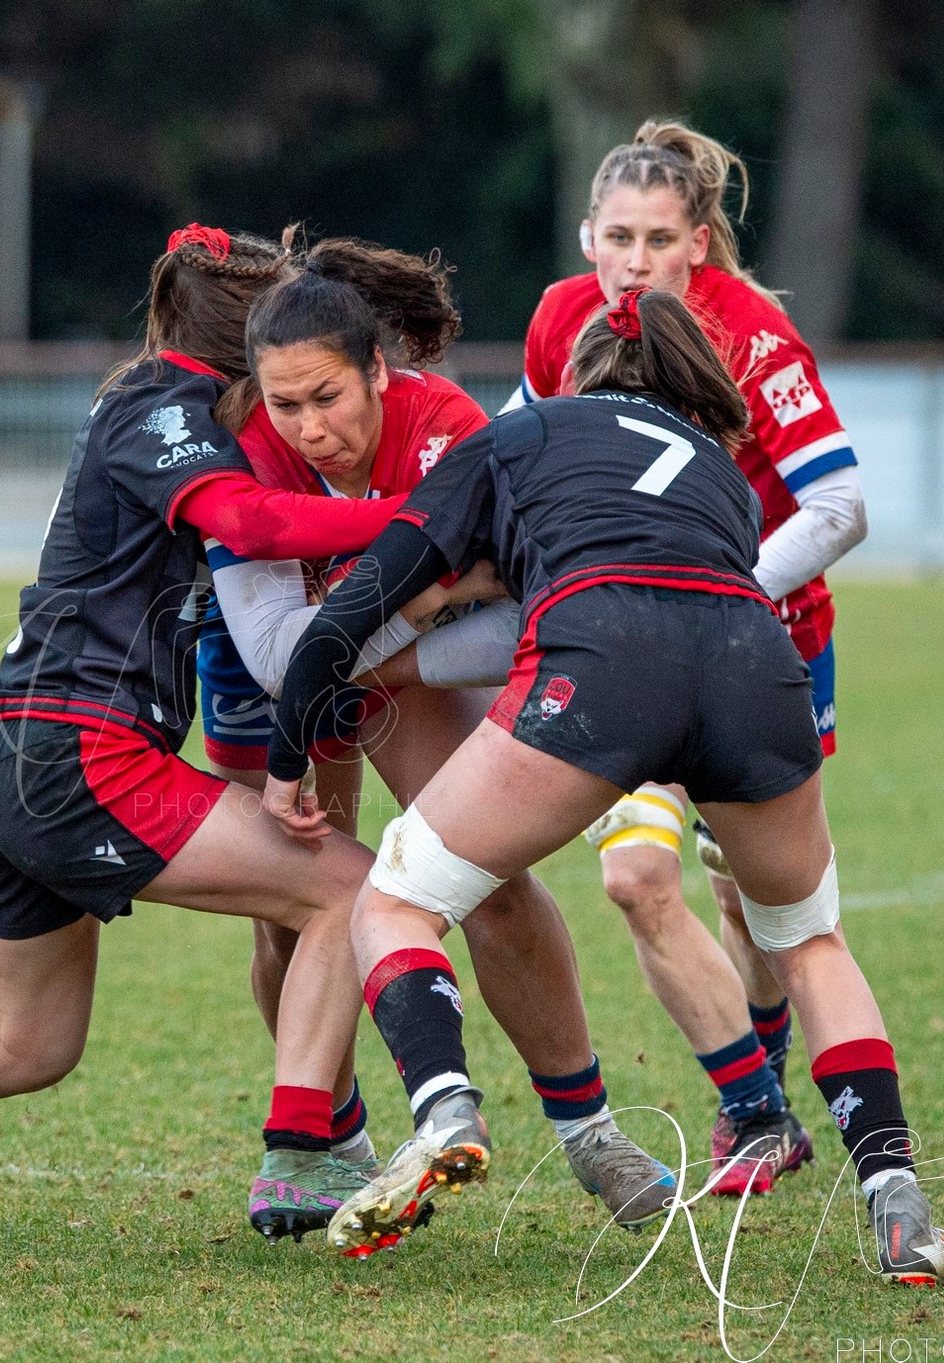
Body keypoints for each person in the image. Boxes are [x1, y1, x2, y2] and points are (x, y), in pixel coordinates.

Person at [0, 225, 478, 1256]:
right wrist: (422, 520)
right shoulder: (164, 406)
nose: (293, 411)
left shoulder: (155, 404)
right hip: (81, 757)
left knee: (27, 1043)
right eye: (278, 376)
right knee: (349, 887)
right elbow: (254, 525)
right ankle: (306, 1149)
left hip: (10, 761)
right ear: (242, 349)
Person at [265, 286, 944, 1287]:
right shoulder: (723, 479)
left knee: (394, 900)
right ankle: (899, 1206)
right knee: (810, 942)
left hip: (602, 662)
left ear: (572, 375)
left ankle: (444, 1107)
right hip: (755, 665)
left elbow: (341, 624)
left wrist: (287, 766)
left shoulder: (518, 434)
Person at [203, 245, 675, 1230]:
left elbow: (520, 620)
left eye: (328, 398)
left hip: (393, 666)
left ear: (378, 370)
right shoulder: (244, 445)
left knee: (485, 875)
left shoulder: (448, 430)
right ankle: (324, 1139)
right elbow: (280, 660)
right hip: (274, 672)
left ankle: (588, 1129)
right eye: (285, 405)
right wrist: (424, 595)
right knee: (291, 909)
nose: (309, 429)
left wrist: (381, 649)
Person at [504, 119, 869, 1196]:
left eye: (658, 239)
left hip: (768, 645)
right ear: (587, 236)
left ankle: (769, 1091)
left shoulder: (752, 335)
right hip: (629, 648)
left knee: (753, 900)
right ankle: (753, 1107)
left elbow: (839, 503)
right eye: (616, 238)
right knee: (635, 875)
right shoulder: (561, 318)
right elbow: (514, 464)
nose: (634, 261)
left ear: (698, 243)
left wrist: (717, 590)